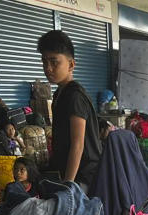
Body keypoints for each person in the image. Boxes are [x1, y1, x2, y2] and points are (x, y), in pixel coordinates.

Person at [37, 30, 102, 188]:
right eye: (44, 62)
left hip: (84, 176)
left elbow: (78, 145)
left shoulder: (75, 96)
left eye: (54, 62)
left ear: (71, 64)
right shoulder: (60, 93)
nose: (48, 68)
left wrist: (69, 185)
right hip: (69, 172)